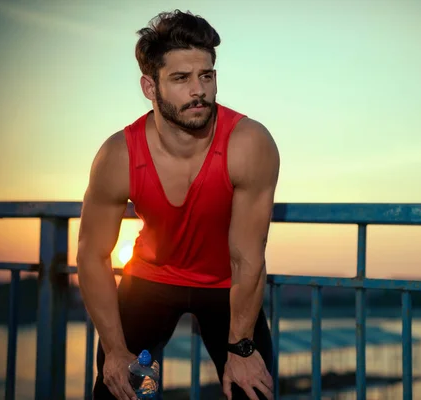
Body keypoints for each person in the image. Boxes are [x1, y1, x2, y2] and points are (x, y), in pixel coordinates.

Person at [76, 9, 279, 400]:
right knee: (122, 389)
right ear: (150, 87)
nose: (198, 90)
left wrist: (240, 348)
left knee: (252, 390)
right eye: (180, 79)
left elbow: (249, 257)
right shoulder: (118, 155)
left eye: (206, 76)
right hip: (150, 281)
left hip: (227, 286)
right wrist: (116, 352)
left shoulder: (249, 143)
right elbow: (92, 254)